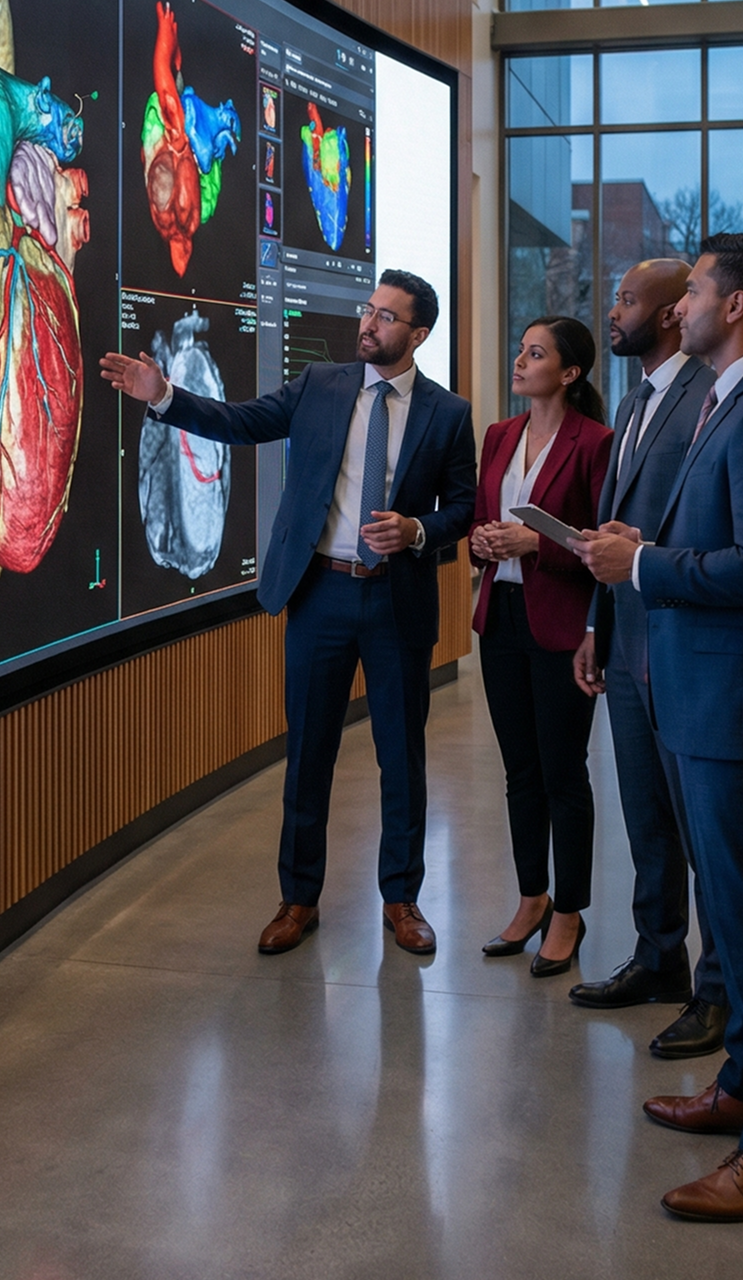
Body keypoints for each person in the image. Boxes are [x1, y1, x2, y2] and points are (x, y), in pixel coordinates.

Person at [100, 270, 475, 958]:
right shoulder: (321, 384)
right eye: (369, 310)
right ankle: (298, 897)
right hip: (320, 594)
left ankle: (402, 897)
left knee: (402, 757)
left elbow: (463, 507)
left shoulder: (446, 414)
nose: (369, 323)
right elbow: (240, 422)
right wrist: (165, 397)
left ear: (417, 334)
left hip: (396, 599)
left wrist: (418, 530)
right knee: (308, 755)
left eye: (386, 317)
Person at [590, 233, 743, 1224]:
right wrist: (647, 553)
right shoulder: (730, 398)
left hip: (740, 710)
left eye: (691, 289)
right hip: (705, 701)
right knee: (730, 925)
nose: (678, 303)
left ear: (734, 305)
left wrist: (642, 565)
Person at [568, 261, 727, 1060]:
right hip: (627, 640)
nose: (613, 309)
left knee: (704, 834)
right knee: (647, 818)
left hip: (683, 644)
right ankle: (658, 956)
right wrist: (597, 624)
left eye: (627, 299)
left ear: (670, 315)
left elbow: (705, 531)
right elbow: (613, 526)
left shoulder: (710, 398)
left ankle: (717, 989)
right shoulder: (634, 398)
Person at [469, 318, 613, 977]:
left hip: (559, 621)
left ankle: (569, 911)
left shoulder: (595, 443)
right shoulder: (500, 434)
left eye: (535, 352)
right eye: (520, 348)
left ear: (571, 371)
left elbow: (602, 547)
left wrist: (536, 545)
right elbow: (480, 519)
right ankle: (532, 897)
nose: (520, 360)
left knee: (563, 772)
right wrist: (483, 541)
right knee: (519, 771)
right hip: (499, 616)